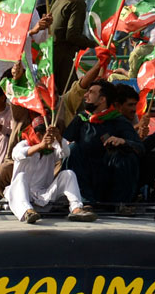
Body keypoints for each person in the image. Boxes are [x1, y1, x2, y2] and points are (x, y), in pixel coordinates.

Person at [62, 77, 144, 207]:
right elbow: (65, 142)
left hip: (108, 175)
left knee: (126, 157)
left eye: (91, 92)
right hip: (86, 173)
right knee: (72, 149)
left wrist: (122, 141)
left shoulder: (119, 121)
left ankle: (119, 204)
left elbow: (140, 147)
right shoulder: (82, 119)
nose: (86, 95)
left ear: (102, 99)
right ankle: (83, 200)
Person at [7, 117, 97, 223]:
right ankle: (28, 212)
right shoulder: (23, 144)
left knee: (69, 174)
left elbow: (65, 152)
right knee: (21, 176)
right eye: (42, 134)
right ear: (36, 134)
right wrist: (40, 146)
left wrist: (58, 138)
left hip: (44, 196)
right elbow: (16, 154)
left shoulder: (52, 148)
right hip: (23, 195)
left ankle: (76, 208)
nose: (46, 137)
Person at [48, 0, 102, 89]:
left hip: (49, 51)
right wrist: (95, 44)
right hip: (61, 55)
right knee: (72, 94)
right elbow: (72, 35)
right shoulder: (78, 3)